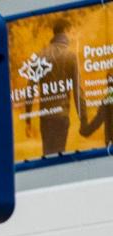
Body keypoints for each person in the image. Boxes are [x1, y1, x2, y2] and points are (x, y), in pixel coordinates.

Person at [24, 19, 84, 157]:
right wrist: (83, 119)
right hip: (62, 116)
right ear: (66, 31)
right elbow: (77, 90)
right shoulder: (70, 56)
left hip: (45, 118)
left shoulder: (40, 56)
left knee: (47, 155)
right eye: (71, 32)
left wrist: (28, 119)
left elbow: (30, 90)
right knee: (60, 155)